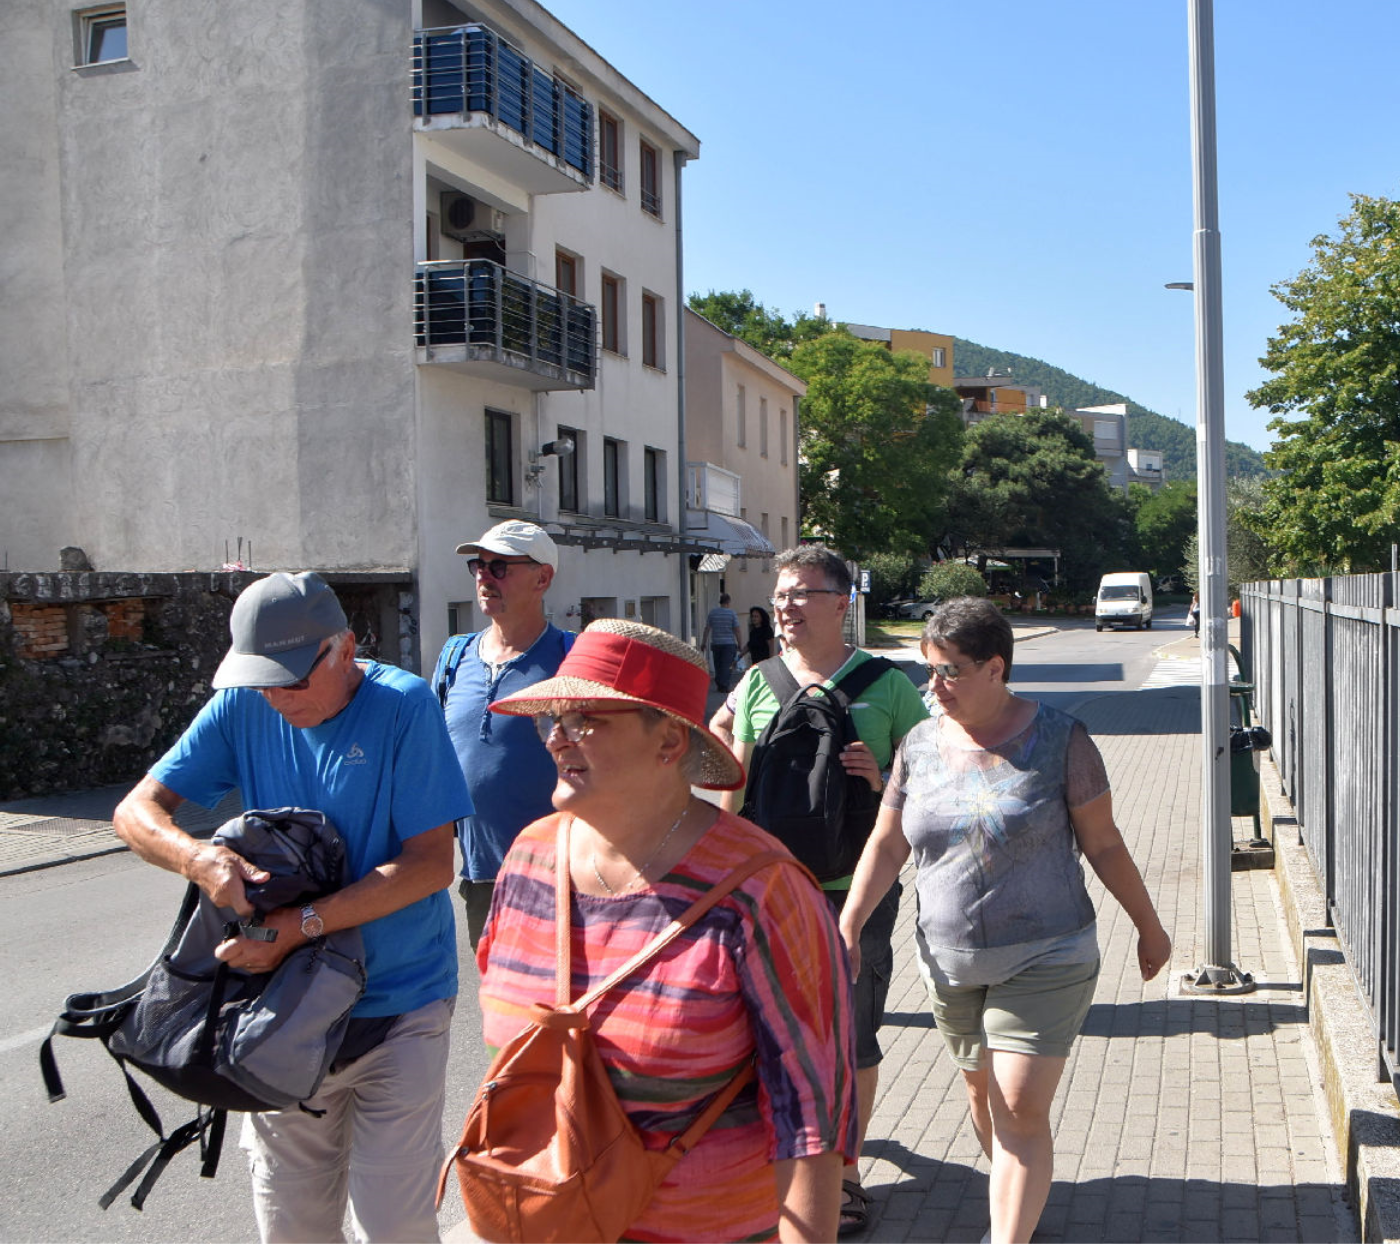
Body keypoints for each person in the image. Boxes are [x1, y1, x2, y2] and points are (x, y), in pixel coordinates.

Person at [112, 572, 467, 1244]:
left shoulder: (402, 706)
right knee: (292, 1227)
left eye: (294, 679)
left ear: (345, 648)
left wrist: (299, 927)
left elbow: (430, 864)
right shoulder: (242, 707)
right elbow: (135, 812)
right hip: (283, 1012)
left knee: (394, 1225)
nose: (277, 696)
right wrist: (198, 859)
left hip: (399, 1003)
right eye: (262, 681)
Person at [479, 619, 853, 1244]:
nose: (557, 739)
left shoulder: (763, 889)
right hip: (540, 1222)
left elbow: (811, 1113)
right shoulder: (529, 857)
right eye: (553, 720)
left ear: (670, 741)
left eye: (586, 720)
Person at [838, 597, 1173, 1244]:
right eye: (929, 669)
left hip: (1047, 953)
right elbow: (886, 842)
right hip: (948, 962)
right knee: (982, 1095)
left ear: (996, 668)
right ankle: (1018, 1196)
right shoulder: (919, 745)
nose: (935, 686)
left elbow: (1105, 844)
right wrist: (850, 922)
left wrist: (1149, 926)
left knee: (1017, 1103)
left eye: (950, 671)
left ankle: (1009, 1231)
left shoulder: (1061, 740)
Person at [709, 545, 927, 1237]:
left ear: (841, 603)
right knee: (759, 1032)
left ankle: (847, 1174)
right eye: (780, 594)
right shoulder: (757, 681)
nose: (785, 606)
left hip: (854, 888)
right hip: (765, 890)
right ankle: (777, 1165)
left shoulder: (887, 685)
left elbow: (930, 780)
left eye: (801, 593)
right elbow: (730, 783)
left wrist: (882, 776)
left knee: (853, 1032)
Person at [433, 519, 572, 950]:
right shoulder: (455, 655)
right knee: (496, 989)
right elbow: (434, 756)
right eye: (479, 566)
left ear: (542, 578)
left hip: (558, 874)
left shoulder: (571, 657)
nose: (484, 577)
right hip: (481, 876)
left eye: (499, 567)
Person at [701, 592, 742, 692]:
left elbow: (707, 628)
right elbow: (737, 630)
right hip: (729, 644)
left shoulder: (713, 613)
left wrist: (703, 642)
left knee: (718, 664)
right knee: (727, 665)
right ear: (728, 602)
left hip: (716, 643)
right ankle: (724, 684)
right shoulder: (732, 614)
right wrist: (740, 643)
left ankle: (720, 682)